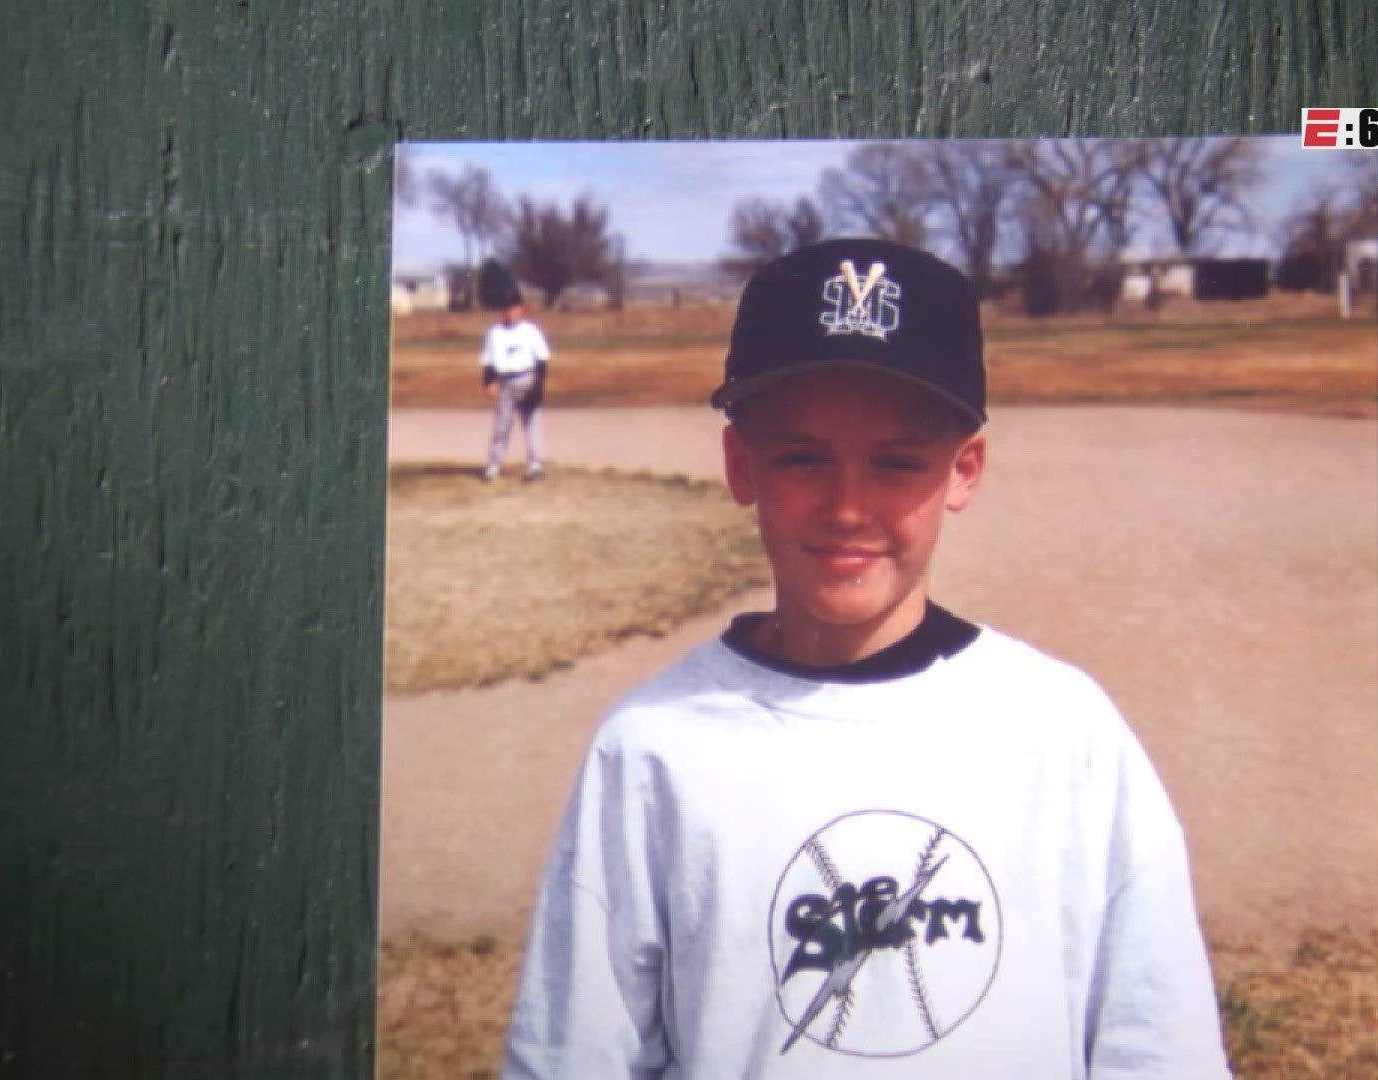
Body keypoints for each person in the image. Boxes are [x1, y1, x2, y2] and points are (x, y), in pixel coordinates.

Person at [500, 239, 1230, 1078]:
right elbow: (574, 1055)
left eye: (896, 462)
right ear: (742, 466)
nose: (848, 507)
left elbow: (1158, 1044)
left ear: (965, 469)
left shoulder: (1065, 732)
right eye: (802, 457)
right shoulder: (651, 748)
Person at [480, 292, 552, 482]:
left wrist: (538, 385)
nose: (510, 312)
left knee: (531, 423)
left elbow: (542, 359)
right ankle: (493, 465)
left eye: (513, 308)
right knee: (502, 425)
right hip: (506, 381)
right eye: (506, 309)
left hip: (527, 377)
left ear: (521, 310)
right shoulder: (495, 332)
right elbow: (488, 360)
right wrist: (489, 381)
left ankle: (535, 464)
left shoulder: (530, 330)